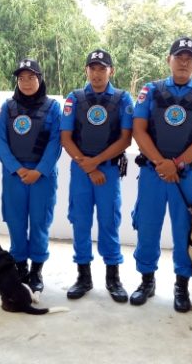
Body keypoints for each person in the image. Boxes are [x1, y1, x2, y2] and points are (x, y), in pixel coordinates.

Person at [130, 36, 192, 311]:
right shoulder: (150, 90)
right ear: (168, 59)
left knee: (185, 230)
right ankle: (147, 281)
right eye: (179, 57)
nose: (183, 62)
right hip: (153, 172)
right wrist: (161, 163)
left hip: (186, 174)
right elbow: (138, 130)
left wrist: (176, 163)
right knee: (147, 226)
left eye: (189, 58)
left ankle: (181, 285)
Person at [60, 49, 133, 302]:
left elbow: (125, 139)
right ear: (86, 70)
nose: (97, 74)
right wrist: (89, 167)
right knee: (80, 222)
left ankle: (113, 278)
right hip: (82, 170)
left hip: (108, 171)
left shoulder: (123, 99)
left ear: (111, 71)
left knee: (109, 222)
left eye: (103, 68)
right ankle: (83, 276)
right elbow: (66, 138)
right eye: (93, 68)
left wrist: (97, 163)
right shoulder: (74, 98)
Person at [0, 58, 62, 294]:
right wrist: (17, 168)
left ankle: (36, 270)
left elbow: (56, 141)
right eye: (21, 78)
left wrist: (39, 171)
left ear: (40, 79)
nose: (26, 82)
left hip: (42, 176)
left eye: (31, 77)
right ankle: (20, 266)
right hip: (15, 175)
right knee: (15, 221)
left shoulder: (53, 107)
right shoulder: (7, 107)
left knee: (40, 222)